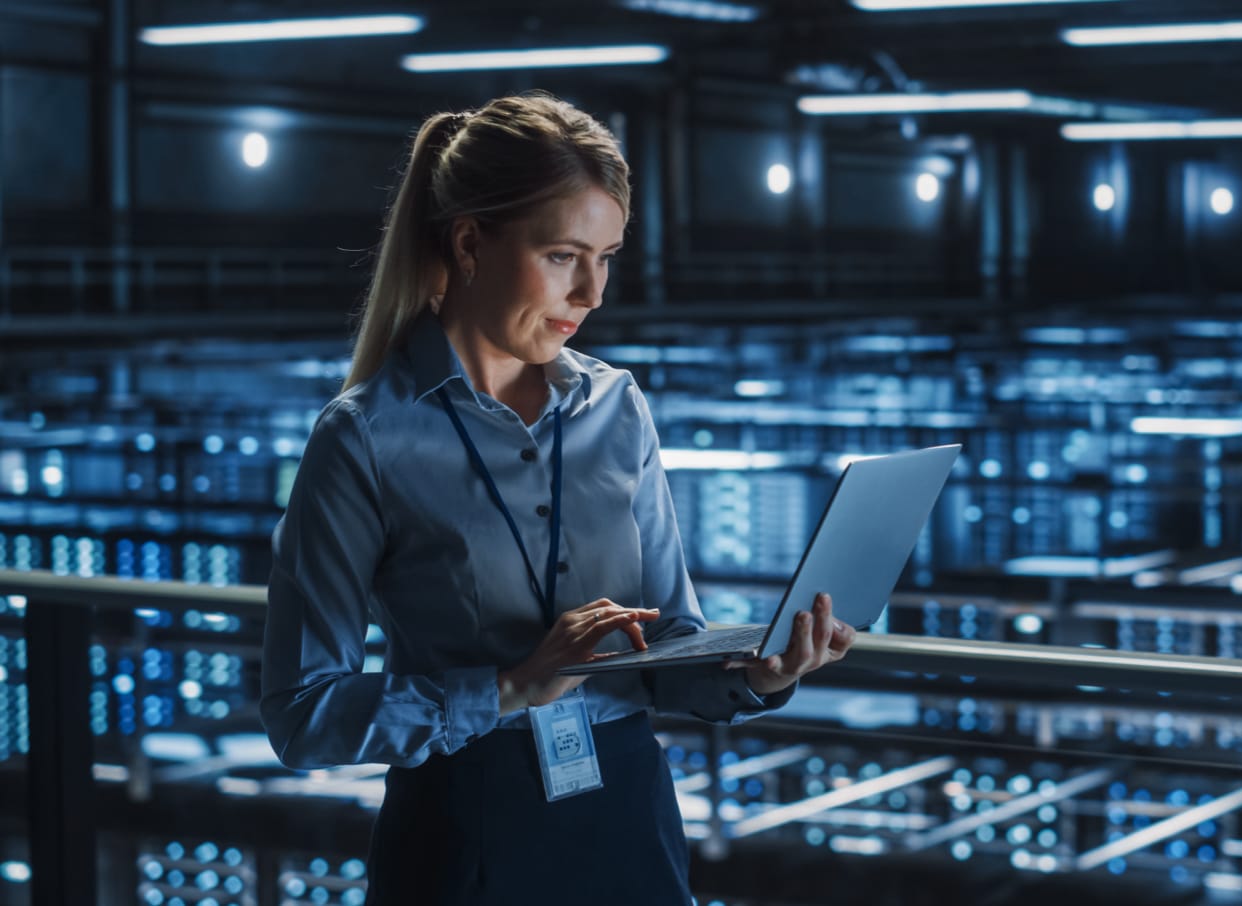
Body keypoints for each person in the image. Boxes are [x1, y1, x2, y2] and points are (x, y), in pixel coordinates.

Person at [259, 91, 856, 905]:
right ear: (471, 242)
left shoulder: (620, 407)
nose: (592, 294)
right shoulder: (364, 436)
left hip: (627, 810)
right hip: (467, 821)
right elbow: (303, 714)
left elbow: (668, 641)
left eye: (607, 257)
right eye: (564, 256)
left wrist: (760, 675)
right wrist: (510, 686)